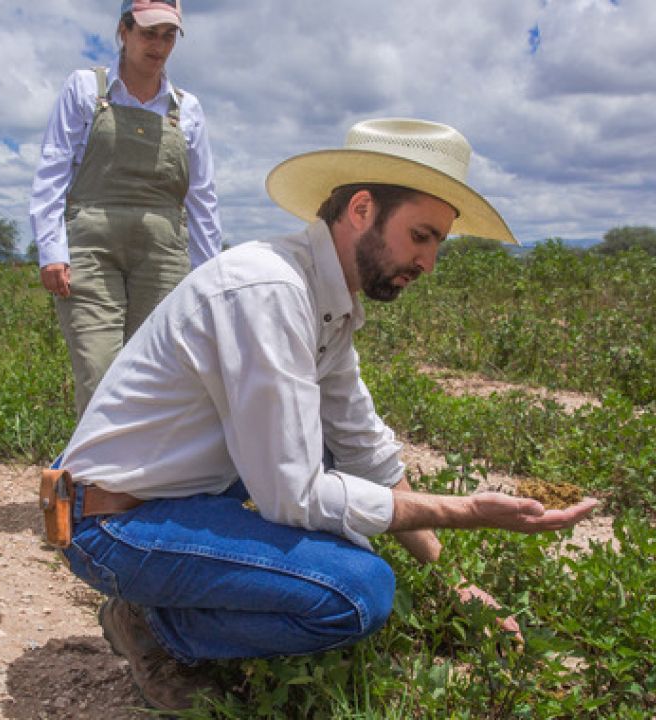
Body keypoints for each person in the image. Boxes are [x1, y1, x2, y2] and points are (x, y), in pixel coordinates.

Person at [39, 118, 598, 711]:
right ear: (362, 209)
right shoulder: (270, 292)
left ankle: (180, 600)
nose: (429, 262)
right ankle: (152, 630)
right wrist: (468, 512)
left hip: (172, 495)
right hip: (109, 523)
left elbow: (365, 448)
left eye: (438, 242)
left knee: (338, 467)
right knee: (358, 591)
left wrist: (450, 580)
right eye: (421, 235)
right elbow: (293, 496)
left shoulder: (327, 300)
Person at [29, 0, 222, 418]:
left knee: (157, 375)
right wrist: (52, 251)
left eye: (168, 35)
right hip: (91, 248)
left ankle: (144, 483)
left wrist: (210, 274)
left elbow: (201, 196)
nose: (159, 45)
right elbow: (53, 169)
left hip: (164, 253)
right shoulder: (85, 89)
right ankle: (94, 479)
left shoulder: (186, 108)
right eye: (148, 33)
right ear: (124, 31)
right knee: (98, 371)